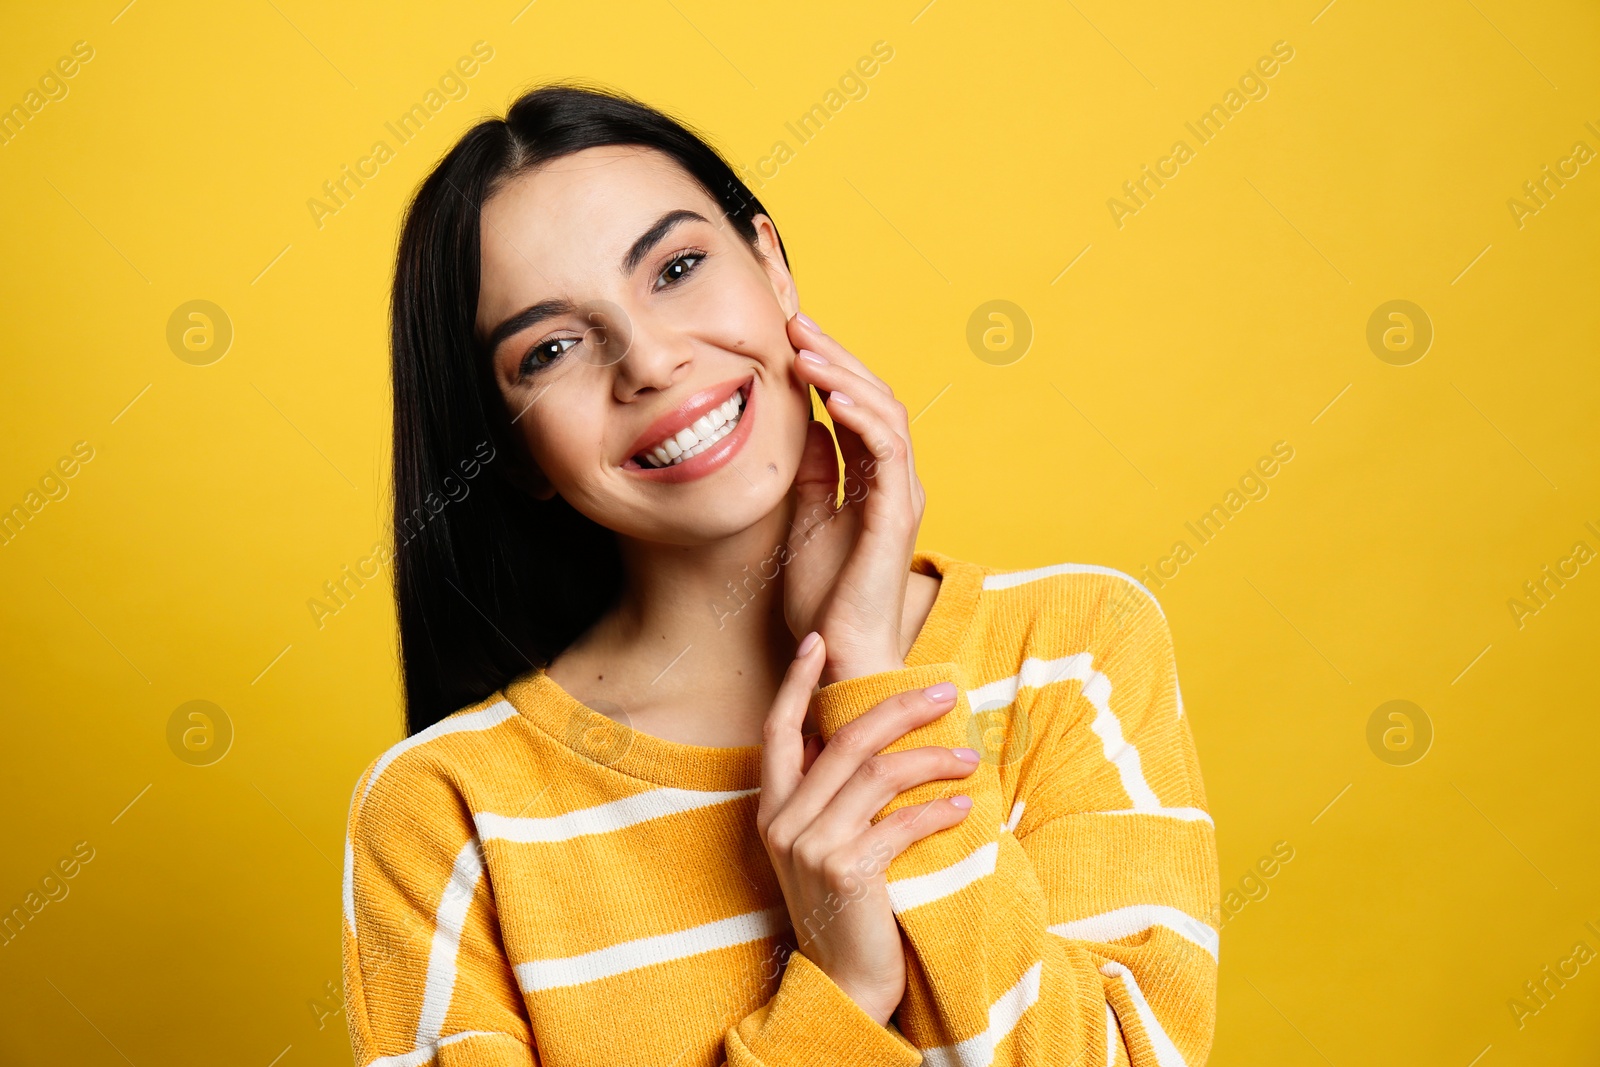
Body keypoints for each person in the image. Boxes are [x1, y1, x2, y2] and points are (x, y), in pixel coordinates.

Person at [341, 82, 1219, 1067]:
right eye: (551, 347)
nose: (651, 359)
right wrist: (837, 998)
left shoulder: (1077, 649)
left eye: (676, 267)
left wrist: (872, 688)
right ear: (506, 449)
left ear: (770, 262)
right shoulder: (443, 811)